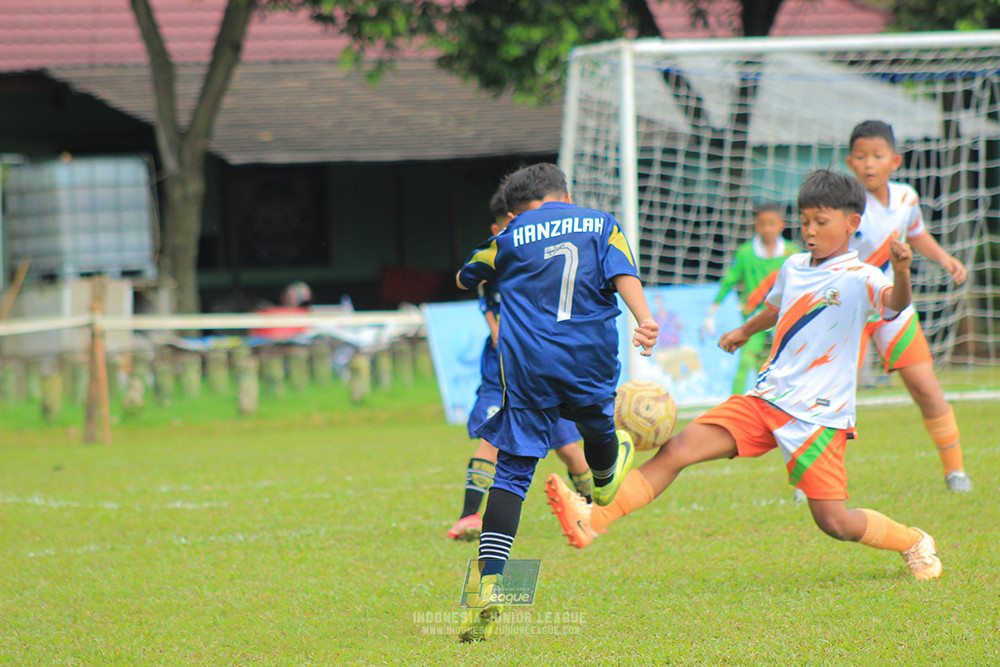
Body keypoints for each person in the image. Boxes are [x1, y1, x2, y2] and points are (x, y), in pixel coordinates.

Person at [546, 170, 943, 583]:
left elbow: (895, 303)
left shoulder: (864, 278)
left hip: (817, 417)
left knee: (834, 522)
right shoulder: (792, 266)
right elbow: (775, 308)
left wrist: (902, 272)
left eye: (821, 223)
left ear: (852, 223)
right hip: (765, 400)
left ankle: (913, 541)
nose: (809, 231)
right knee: (677, 450)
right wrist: (743, 332)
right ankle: (593, 519)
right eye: (804, 221)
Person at [454, 163, 659, 641]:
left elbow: (468, 276)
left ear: (518, 208)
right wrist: (645, 320)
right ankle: (605, 481)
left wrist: (501, 254)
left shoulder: (508, 236)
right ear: (565, 193)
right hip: (588, 360)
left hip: (528, 368)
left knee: (512, 472)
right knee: (598, 427)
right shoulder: (601, 224)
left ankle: (488, 586)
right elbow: (623, 271)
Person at [447, 187, 594, 542]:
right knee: (492, 439)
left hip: (542, 365)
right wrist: (501, 336)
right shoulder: (494, 255)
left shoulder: (538, 255)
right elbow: (488, 305)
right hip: (503, 366)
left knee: (570, 449)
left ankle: (592, 510)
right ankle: (469, 516)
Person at [845, 120, 972, 493]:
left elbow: (915, 233)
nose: (869, 163)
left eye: (877, 156)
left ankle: (956, 473)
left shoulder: (906, 198)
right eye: (861, 156)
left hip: (892, 305)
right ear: (849, 162)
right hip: (850, 310)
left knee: (926, 388)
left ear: (894, 161)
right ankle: (811, 481)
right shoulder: (845, 204)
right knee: (835, 395)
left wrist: (944, 259)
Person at [702, 202, 800, 394]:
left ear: (781, 224)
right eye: (763, 224)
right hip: (755, 316)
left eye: (772, 223)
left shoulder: (793, 253)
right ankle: (734, 405)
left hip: (785, 315)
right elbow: (729, 281)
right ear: (756, 226)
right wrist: (713, 309)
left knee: (791, 361)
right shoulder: (745, 253)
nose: (767, 229)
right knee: (746, 359)